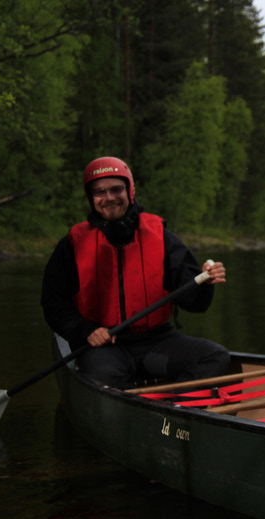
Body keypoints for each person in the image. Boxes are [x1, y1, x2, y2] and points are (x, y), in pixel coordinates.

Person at [41, 156, 230, 389]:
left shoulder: (161, 237)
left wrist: (205, 283)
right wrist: (86, 331)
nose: (109, 198)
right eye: (100, 192)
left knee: (216, 356)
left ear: (130, 191)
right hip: (104, 347)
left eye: (116, 189)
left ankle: (175, 409)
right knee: (106, 379)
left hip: (156, 342)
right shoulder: (73, 244)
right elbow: (53, 303)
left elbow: (195, 303)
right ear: (91, 198)